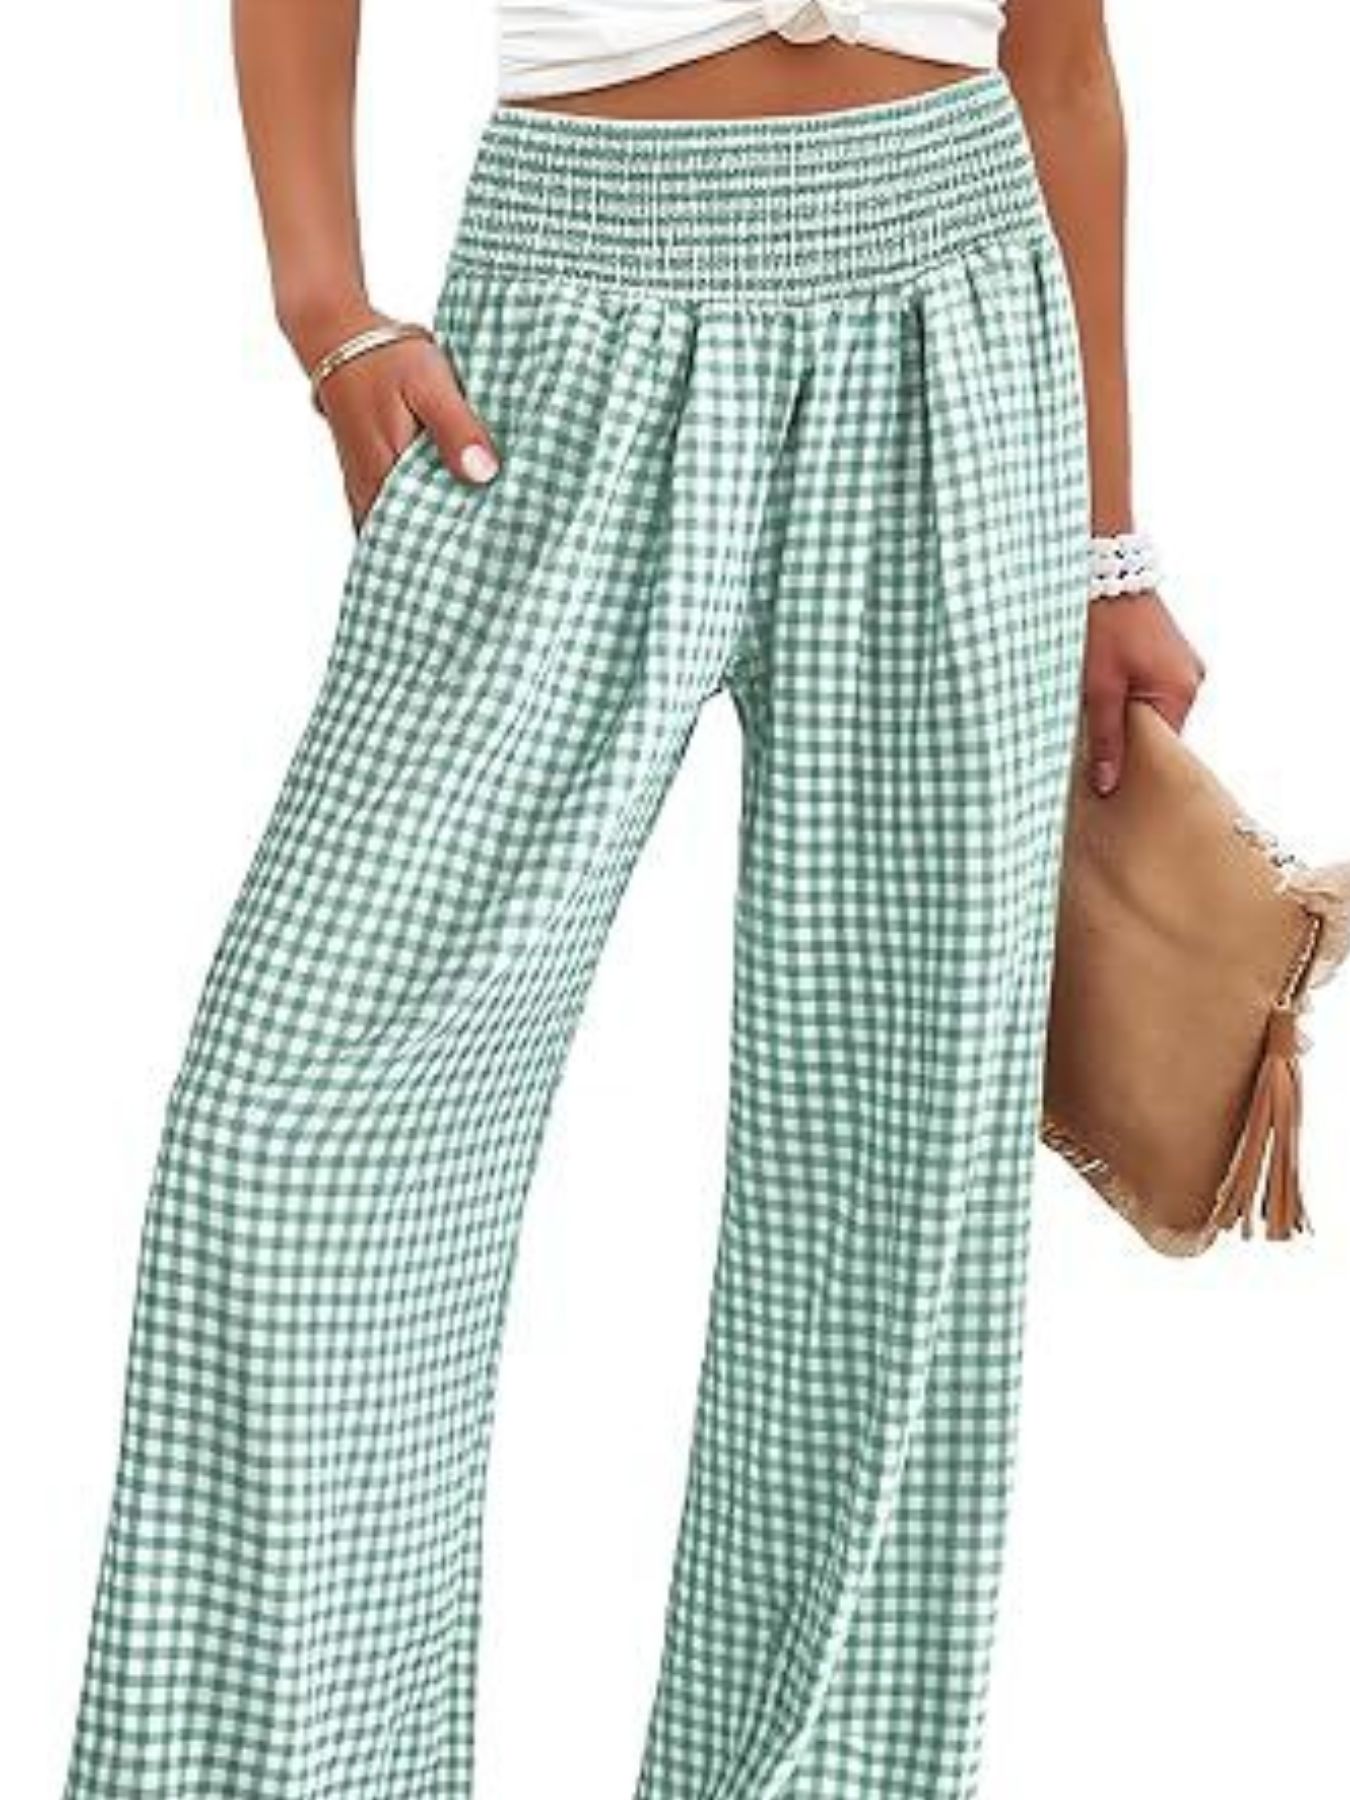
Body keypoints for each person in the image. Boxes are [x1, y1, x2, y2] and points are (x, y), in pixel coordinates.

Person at [61, 3, 1205, 1797]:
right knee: (285, 1138)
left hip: (960, 315)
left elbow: (1060, 64)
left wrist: (1105, 551)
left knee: (896, 1181)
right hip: (570, 310)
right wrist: (324, 307)